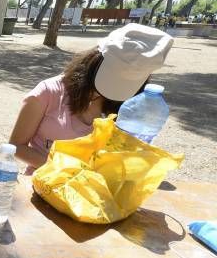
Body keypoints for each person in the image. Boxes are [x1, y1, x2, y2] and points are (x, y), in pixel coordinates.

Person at [9, 23, 173, 174]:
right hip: (44, 186)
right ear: (97, 59)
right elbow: (16, 146)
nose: (114, 88)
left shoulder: (133, 105)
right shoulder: (48, 92)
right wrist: (69, 169)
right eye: (113, 76)